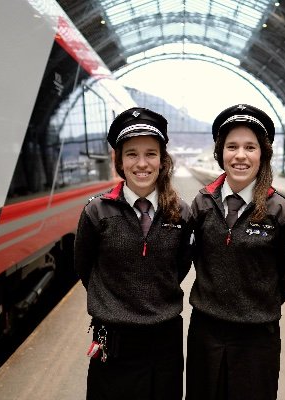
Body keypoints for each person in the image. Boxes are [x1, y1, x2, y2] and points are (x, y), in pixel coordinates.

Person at [186, 104, 285, 400]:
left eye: (250, 147)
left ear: (262, 154)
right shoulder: (202, 204)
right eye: (232, 146)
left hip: (257, 336)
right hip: (206, 331)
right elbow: (188, 255)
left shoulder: (283, 212)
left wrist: (260, 299)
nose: (240, 155)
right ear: (220, 153)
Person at [74, 107, 194, 400]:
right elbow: (84, 268)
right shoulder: (96, 212)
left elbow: (180, 266)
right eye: (131, 154)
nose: (142, 163)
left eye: (151, 153)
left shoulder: (180, 213)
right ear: (120, 160)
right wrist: (115, 303)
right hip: (112, 338)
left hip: (164, 340)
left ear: (162, 160)